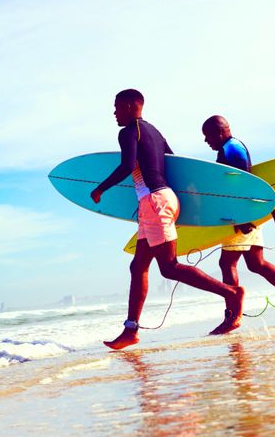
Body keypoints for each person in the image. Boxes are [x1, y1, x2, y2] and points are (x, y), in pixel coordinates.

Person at [91, 90, 245, 349]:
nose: (114, 113)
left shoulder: (129, 131)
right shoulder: (155, 132)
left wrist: (100, 189)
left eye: (117, 107)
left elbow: (127, 166)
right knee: (138, 266)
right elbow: (175, 163)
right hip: (160, 200)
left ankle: (231, 293)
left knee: (169, 267)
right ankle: (131, 330)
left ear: (130, 106)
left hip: (154, 202)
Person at [201, 115, 275, 333]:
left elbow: (245, 183)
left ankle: (233, 316)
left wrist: (242, 218)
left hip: (241, 216)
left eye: (208, 136)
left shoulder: (230, 149)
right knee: (256, 264)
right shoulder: (233, 147)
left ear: (220, 132)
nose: (206, 141)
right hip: (249, 213)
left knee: (227, 264)